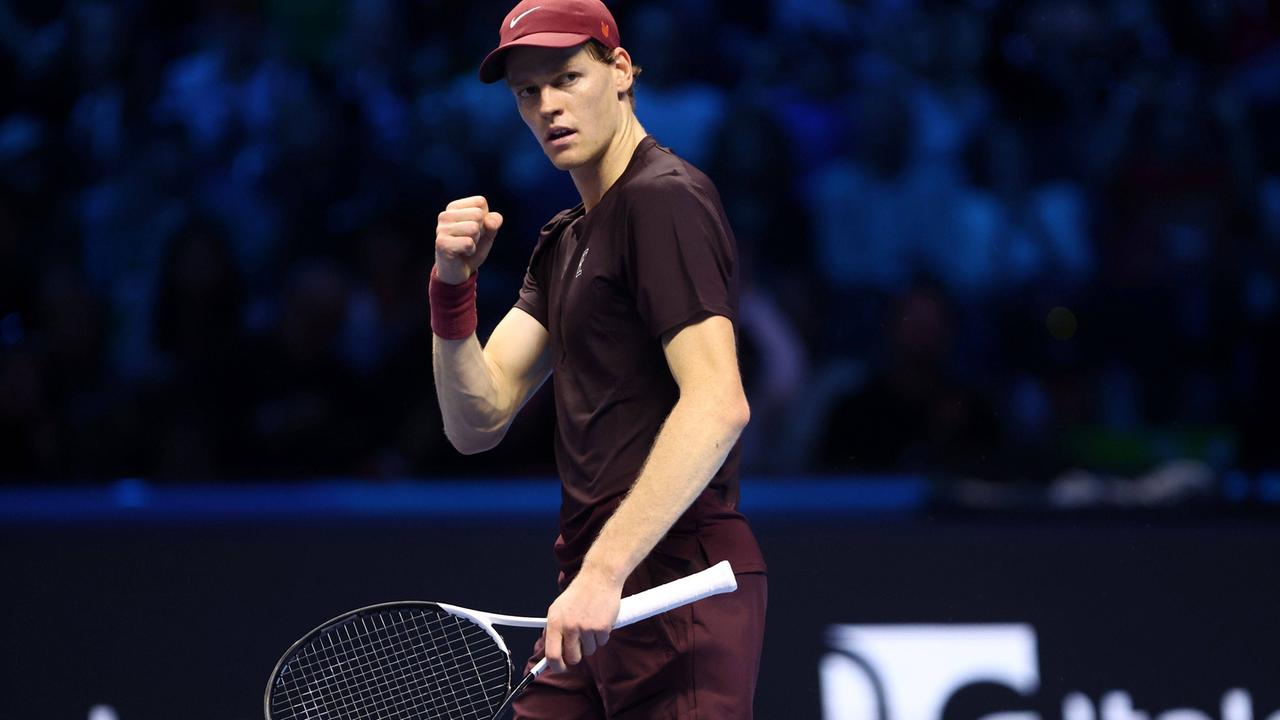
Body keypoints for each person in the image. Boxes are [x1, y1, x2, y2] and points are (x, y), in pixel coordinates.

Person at [429, 0, 767, 716]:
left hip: (673, 585)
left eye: (567, 78)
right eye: (528, 91)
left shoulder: (663, 199)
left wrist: (604, 573)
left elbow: (718, 403)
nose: (548, 106)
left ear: (620, 71)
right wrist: (451, 290)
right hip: (596, 594)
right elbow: (476, 420)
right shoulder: (565, 239)